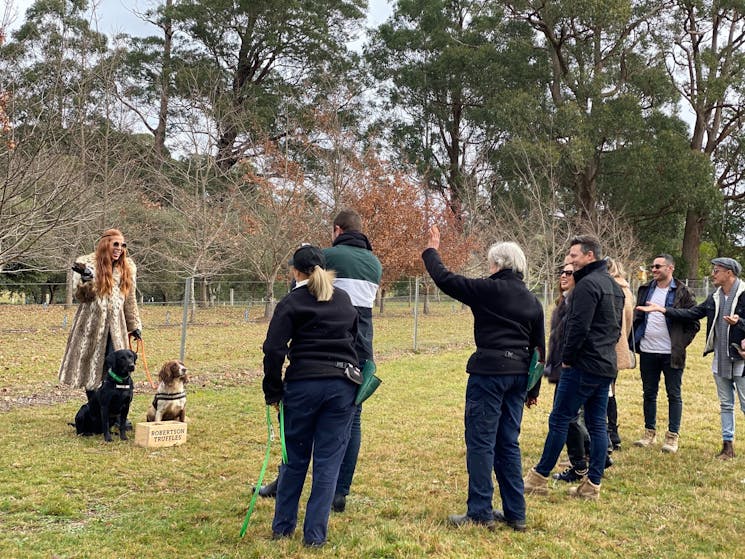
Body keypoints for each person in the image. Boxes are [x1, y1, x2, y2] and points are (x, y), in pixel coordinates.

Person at [256, 209, 383, 512]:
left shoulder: (328, 257)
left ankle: (285, 483)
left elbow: (301, 294)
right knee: (350, 422)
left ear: (338, 230)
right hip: (358, 349)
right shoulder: (375, 263)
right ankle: (338, 491)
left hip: (318, 349)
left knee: (301, 428)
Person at [422, 225, 545, 531]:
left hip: (489, 374)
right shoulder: (532, 300)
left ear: (499, 265)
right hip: (518, 377)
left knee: (481, 442)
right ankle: (516, 513)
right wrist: (533, 389)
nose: (488, 269)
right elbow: (539, 350)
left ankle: (479, 510)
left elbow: (446, 280)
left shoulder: (489, 290)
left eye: (491, 263)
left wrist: (431, 251)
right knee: (508, 444)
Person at [262, 245, 359, 547]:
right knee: (328, 463)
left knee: (295, 459)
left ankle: (282, 528)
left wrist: (273, 390)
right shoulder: (344, 300)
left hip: (304, 386)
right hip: (342, 387)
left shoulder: (291, 302)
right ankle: (315, 536)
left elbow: (273, 350)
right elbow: (357, 342)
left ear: (295, 270)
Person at [524, 235, 624, 500]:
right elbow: (616, 330)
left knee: (559, 419)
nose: (570, 259)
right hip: (605, 366)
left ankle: (538, 478)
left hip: (581, 366)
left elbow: (577, 327)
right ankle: (592, 486)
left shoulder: (586, 285)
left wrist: (567, 358)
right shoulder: (613, 286)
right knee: (597, 424)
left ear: (590, 255)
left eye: (574, 255)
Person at [636, 257, 745, 460]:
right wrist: (663, 310)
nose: (713, 274)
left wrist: (741, 323)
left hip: (741, 360)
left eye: (717, 271)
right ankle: (727, 447)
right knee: (726, 404)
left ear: (729, 273)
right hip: (721, 358)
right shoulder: (715, 297)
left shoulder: (743, 294)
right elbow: (693, 313)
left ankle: (674, 436)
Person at [59, 228, 142, 400]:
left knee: (119, 365)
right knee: (91, 365)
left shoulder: (127, 268)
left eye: (122, 245)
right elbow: (82, 297)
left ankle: (116, 412)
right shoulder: (87, 264)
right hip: (91, 323)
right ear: (106, 244)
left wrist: (134, 326)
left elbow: (130, 299)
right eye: (116, 244)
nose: (120, 248)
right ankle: (95, 409)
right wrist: (87, 279)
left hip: (117, 326)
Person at [631, 254, 698, 453]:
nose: (654, 270)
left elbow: (694, 321)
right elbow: (638, 316)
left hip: (671, 354)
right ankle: (649, 433)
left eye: (658, 266)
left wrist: (680, 343)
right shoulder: (645, 289)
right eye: (653, 266)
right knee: (649, 393)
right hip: (648, 350)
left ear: (670, 268)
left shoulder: (683, 292)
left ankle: (672, 437)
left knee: (674, 394)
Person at [545, 260, 591, 483]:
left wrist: (565, 362)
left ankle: (582, 462)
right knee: (567, 416)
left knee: (564, 417)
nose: (563, 276)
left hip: (571, 366)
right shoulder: (562, 301)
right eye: (561, 272)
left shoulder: (577, 302)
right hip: (560, 366)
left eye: (569, 273)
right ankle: (591, 456)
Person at [606, 257, 636, 452]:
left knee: (605, 392)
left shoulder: (609, 290)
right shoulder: (627, 290)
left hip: (608, 347)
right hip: (620, 346)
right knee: (611, 390)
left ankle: (609, 434)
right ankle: (613, 433)